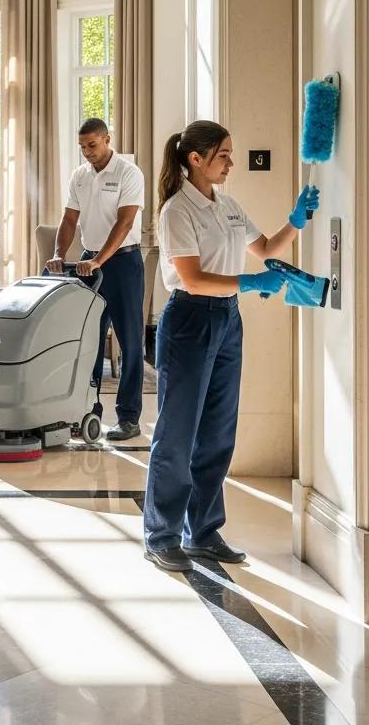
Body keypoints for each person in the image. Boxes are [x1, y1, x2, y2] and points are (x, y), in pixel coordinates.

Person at [142, 120, 319, 572]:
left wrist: (296, 221)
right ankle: (161, 535)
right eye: (223, 155)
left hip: (226, 321)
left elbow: (267, 247)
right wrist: (249, 281)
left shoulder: (231, 206)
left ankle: (202, 531)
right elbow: (193, 278)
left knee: (218, 431)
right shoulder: (176, 211)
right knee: (178, 432)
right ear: (194, 159)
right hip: (189, 321)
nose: (230, 163)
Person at [46, 118, 146, 441]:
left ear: (107, 140)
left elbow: (125, 222)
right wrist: (59, 254)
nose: (87, 152)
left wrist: (99, 260)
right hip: (90, 264)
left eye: (92, 145)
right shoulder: (80, 176)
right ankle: (85, 410)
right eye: (82, 147)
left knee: (130, 342)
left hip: (123, 263)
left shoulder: (129, 174)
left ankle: (129, 418)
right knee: (87, 338)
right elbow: (69, 220)